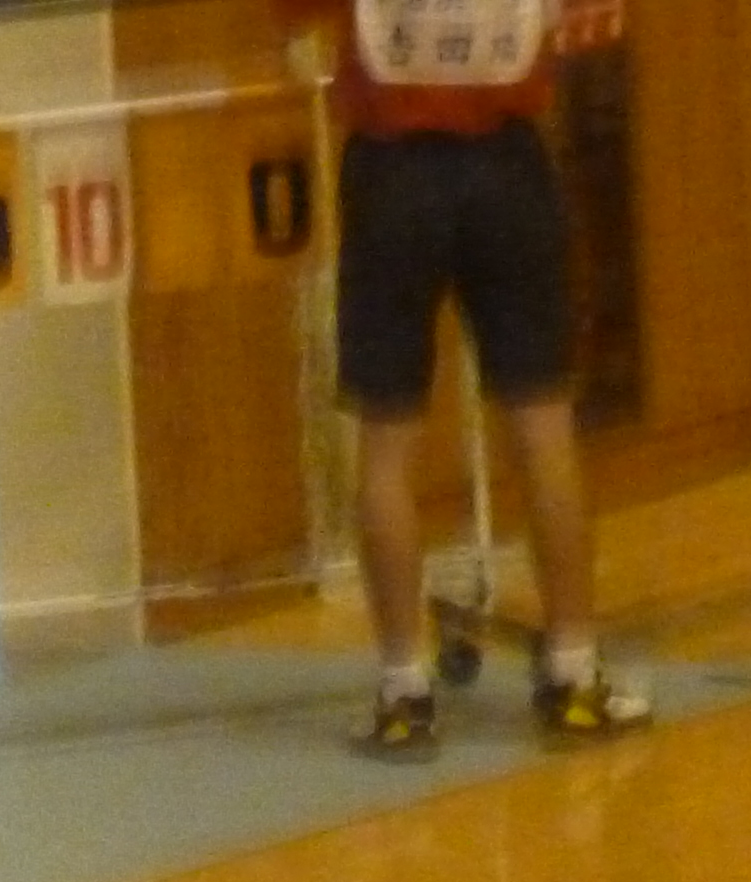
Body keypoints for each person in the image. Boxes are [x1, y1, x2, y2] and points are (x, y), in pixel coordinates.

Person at [278, 0, 653, 756]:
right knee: (543, 427)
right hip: (509, 166)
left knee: (387, 444)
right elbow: (592, 21)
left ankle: (403, 694)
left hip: (392, 173)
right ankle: (574, 674)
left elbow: (290, 24)